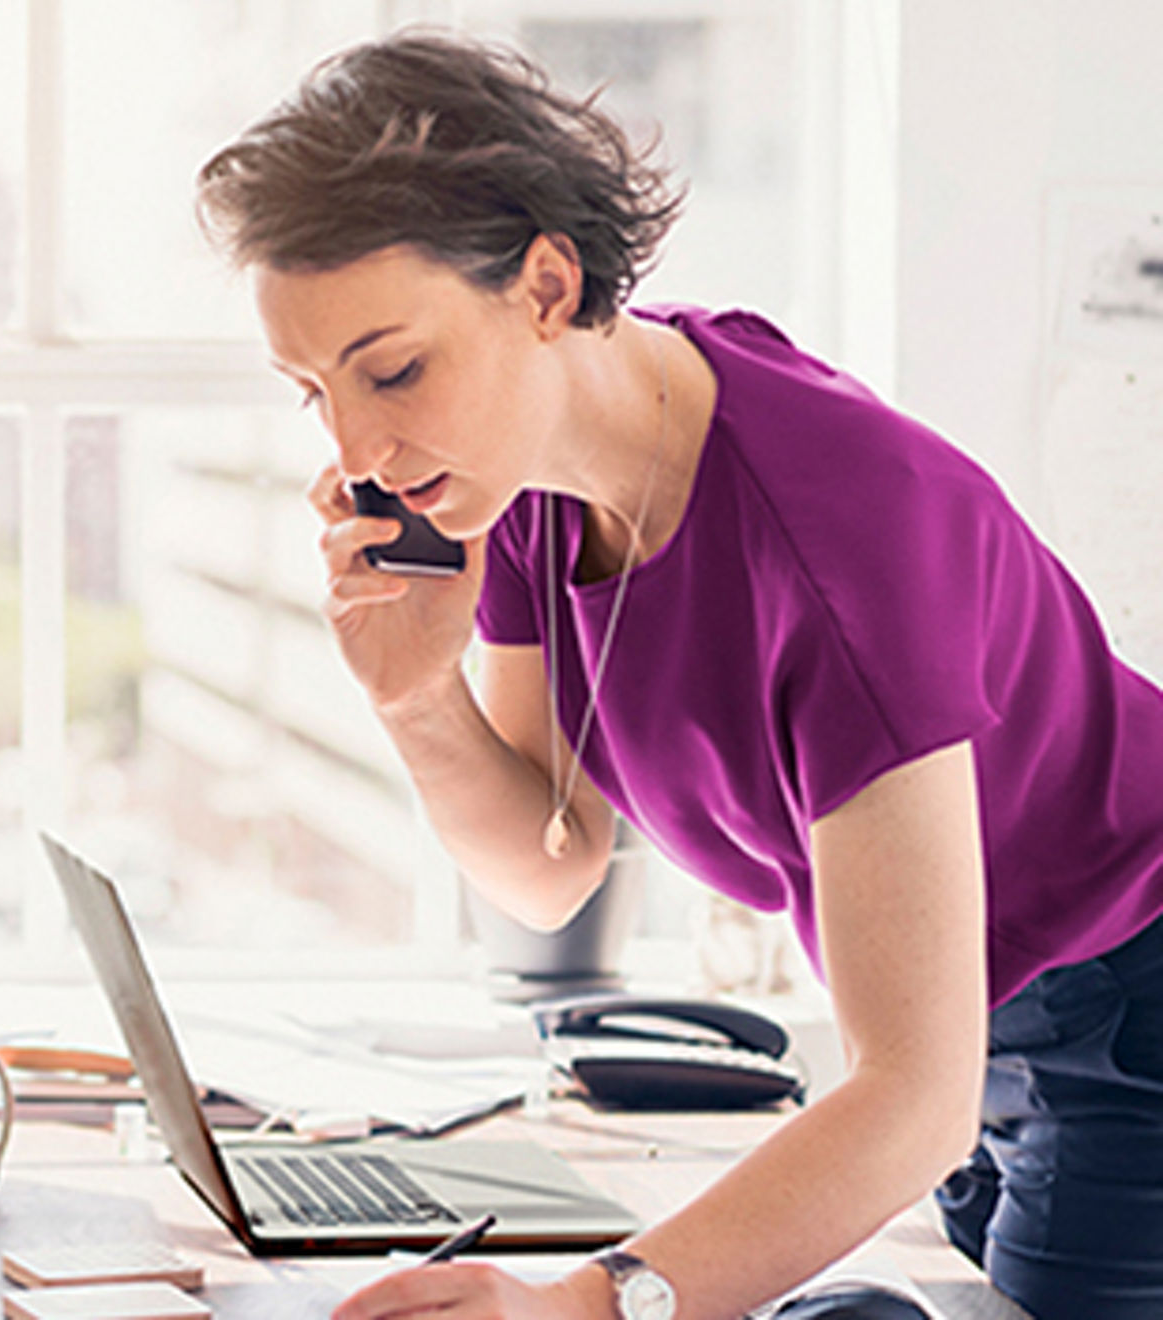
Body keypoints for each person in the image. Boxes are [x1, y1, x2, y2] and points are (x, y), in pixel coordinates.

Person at [195, 29, 1163, 1320]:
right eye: (313, 393)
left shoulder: (837, 534)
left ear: (546, 287)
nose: (360, 449)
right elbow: (554, 864)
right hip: (978, 1042)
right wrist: (414, 695)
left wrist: (581, 1307)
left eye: (394, 370)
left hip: (1124, 1007)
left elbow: (913, 1098)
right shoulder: (534, 481)